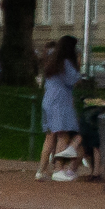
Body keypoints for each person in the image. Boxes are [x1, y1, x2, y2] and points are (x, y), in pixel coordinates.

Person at [35, 34, 83, 180]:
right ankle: (58, 169)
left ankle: (40, 171)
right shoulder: (66, 63)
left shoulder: (52, 60)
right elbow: (74, 79)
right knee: (62, 134)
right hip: (60, 101)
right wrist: (79, 65)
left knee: (49, 137)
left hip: (48, 100)